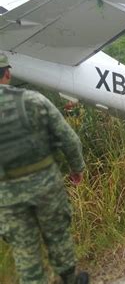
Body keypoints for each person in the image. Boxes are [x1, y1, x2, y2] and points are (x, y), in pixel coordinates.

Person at [0, 53, 89, 284]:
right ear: (7, 74)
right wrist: (77, 168)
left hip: (6, 196)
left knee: (23, 247)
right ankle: (69, 279)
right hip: (45, 186)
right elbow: (69, 139)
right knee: (57, 234)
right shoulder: (33, 100)